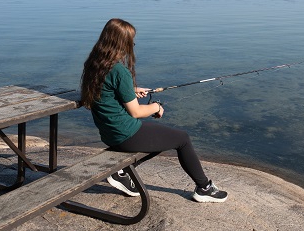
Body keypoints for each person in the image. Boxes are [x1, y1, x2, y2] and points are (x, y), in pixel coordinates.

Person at [80, 18, 228, 203]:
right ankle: (204, 188)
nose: (132, 44)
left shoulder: (94, 64)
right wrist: (155, 107)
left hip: (110, 134)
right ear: (122, 43)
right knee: (181, 139)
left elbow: (105, 88)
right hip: (125, 135)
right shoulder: (119, 70)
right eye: (130, 41)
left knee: (163, 138)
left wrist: (132, 90)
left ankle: (122, 171)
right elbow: (135, 112)